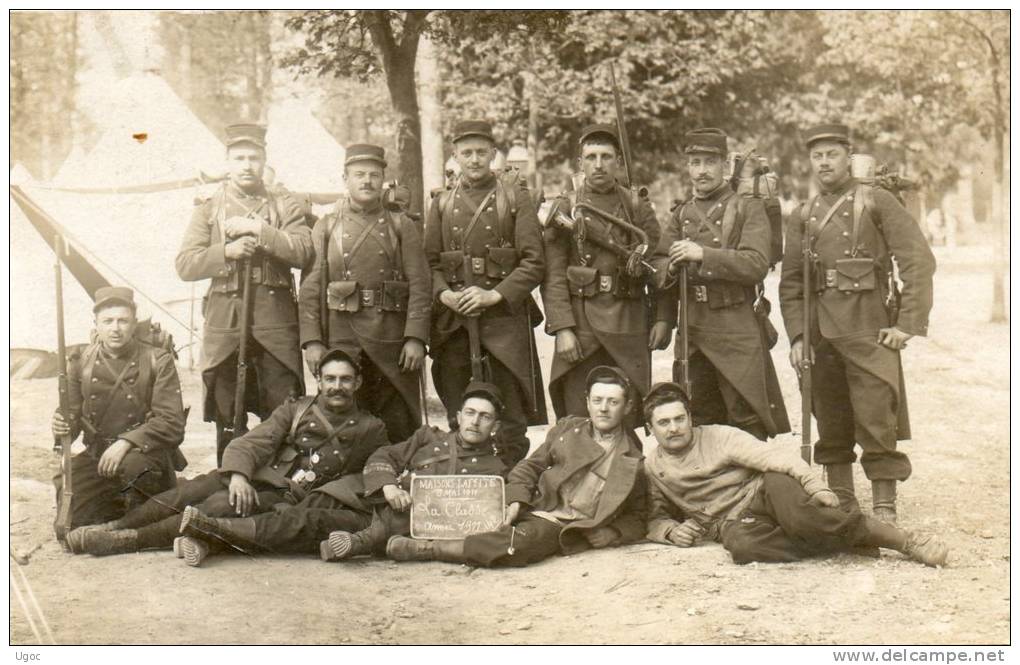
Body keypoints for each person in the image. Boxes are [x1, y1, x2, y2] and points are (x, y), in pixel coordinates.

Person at [64, 349, 388, 560]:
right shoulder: (297, 409)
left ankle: (129, 540)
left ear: (358, 383)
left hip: (289, 498)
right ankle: (112, 525)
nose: (337, 386)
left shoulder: (370, 428)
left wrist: (319, 497)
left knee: (215, 505)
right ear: (318, 380)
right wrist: (238, 475)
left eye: (345, 380)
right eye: (330, 379)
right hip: (258, 477)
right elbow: (251, 442)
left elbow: (370, 474)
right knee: (189, 491)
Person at [778, 123, 936, 522]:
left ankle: (884, 509)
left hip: (869, 328)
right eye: (818, 156)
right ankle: (843, 507)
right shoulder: (803, 214)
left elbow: (917, 259)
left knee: (876, 418)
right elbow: (792, 283)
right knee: (829, 420)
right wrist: (798, 337)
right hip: (820, 335)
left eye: (832, 154)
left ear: (848, 157)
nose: (825, 162)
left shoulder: (875, 201)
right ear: (810, 161)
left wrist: (906, 324)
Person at [172, 382, 508, 564]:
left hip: (377, 525)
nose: (475, 422)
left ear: (495, 426)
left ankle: (211, 534)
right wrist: (389, 486)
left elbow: (472, 521)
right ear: (458, 415)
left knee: (302, 526)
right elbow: (383, 455)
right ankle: (209, 538)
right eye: (470, 413)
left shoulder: (495, 473)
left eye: (485, 417)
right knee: (292, 515)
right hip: (364, 496)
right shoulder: (428, 438)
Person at [641, 381, 948, 566]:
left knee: (802, 517)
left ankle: (905, 541)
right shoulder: (652, 467)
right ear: (650, 429)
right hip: (734, 521)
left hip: (767, 491)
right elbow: (654, 516)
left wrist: (815, 487)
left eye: (680, 419)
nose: (674, 428)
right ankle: (843, 538)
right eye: (664, 423)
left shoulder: (720, 437)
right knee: (743, 548)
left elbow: (777, 459)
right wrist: (669, 531)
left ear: (690, 418)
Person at [385, 366, 646, 567]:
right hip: (535, 506)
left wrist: (614, 532)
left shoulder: (633, 456)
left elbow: (640, 513)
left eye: (613, 402)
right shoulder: (568, 429)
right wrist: (516, 500)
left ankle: (429, 550)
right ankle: (397, 535)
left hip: (563, 523)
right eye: (598, 400)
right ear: (588, 401)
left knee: (518, 544)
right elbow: (528, 468)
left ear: (627, 407)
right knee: (473, 513)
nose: (603, 409)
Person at [175, 122, 314, 463]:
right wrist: (226, 252)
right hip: (226, 328)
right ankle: (229, 484)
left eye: (254, 157)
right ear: (227, 162)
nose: (247, 165)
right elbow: (185, 264)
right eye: (239, 158)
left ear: (264, 159)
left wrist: (260, 230)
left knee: (283, 412)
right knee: (227, 416)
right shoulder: (209, 207)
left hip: (276, 329)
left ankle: (278, 489)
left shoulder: (285, 204)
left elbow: (303, 251)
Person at [424, 119, 547, 467]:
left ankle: (507, 482)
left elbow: (534, 262)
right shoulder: (442, 204)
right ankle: (460, 479)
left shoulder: (515, 199)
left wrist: (495, 295)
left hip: (504, 324)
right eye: (467, 153)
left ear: (493, 154)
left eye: (481, 152)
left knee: (510, 419)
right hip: (455, 324)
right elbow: (428, 264)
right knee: (458, 409)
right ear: (455, 157)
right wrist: (445, 295)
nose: (475, 160)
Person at [652, 128, 789, 441]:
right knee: (698, 416)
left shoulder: (746, 207)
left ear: (725, 167)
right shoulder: (681, 213)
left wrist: (703, 255)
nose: (702, 170)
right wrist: (670, 269)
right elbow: (658, 266)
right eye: (695, 162)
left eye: (709, 162)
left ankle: (750, 489)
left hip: (736, 325)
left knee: (745, 415)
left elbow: (755, 263)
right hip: (694, 328)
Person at [298, 144, 431, 443]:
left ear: (383, 179)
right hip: (343, 338)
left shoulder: (401, 225)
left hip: (393, 340)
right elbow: (310, 290)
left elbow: (421, 285)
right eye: (359, 174)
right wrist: (313, 342)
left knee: (397, 426)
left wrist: (416, 338)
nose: (367, 181)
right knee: (345, 426)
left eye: (374, 174)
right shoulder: (326, 226)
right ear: (345, 178)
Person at [541, 124, 671, 425]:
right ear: (580, 163)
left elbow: (658, 264)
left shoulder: (637, 207)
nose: (598, 165)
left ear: (619, 163)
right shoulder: (566, 208)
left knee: (625, 418)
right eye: (591, 157)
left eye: (606, 157)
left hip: (628, 322)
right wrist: (562, 328)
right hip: (581, 326)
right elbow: (554, 275)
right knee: (577, 418)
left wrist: (664, 317)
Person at [51, 287, 187, 537]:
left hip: (143, 456)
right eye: (108, 321)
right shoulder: (80, 361)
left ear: (134, 324)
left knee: (136, 481)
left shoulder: (158, 360)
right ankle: (120, 509)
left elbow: (172, 422)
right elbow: (71, 414)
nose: (116, 328)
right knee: (71, 523)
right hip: (98, 457)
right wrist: (61, 425)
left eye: (123, 320)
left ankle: (134, 522)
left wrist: (126, 443)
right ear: (97, 325)